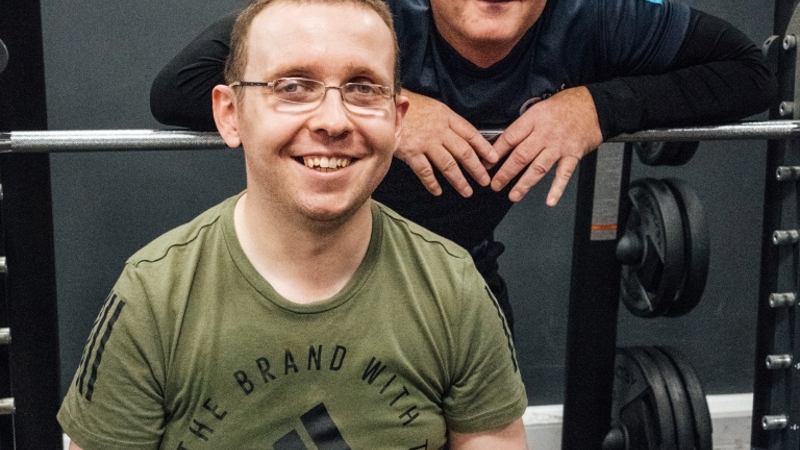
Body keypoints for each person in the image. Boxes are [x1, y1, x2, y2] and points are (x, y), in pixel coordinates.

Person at [58, 0, 529, 448]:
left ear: (397, 119)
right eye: (292, 87)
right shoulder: (154, 299)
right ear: (230, 114)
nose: (332, 120)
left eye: (363, 88)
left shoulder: (455, 286)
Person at [150, 0, 777, 333]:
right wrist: (391, 106)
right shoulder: (355, 10)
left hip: (460, 268)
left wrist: (599, 105)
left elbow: (752, 74)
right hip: (309, 272)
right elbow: (181, 87)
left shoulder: (596, 16)